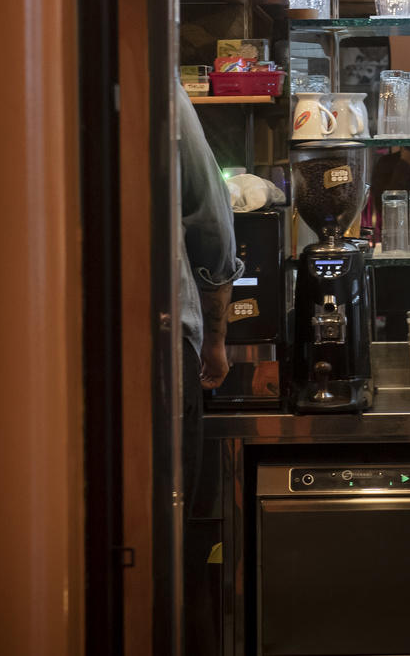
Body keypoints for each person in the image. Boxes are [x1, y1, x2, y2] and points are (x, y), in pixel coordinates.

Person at [175, 86, 243, 650]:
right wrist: (216, 337)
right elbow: (211, 223)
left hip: (41, 350)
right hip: (158, 341)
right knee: (173, 532)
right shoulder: (158, 86)